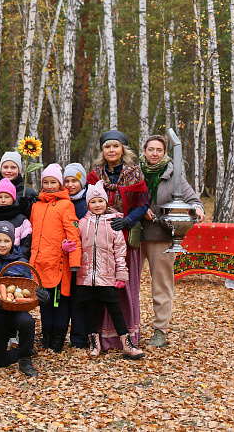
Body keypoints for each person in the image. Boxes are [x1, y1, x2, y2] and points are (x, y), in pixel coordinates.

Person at [140, 134, 204, 348]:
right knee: (126, 284)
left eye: (159, 150)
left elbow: (193, 200)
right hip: (133, 237)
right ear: (144, 150)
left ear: (165, 152)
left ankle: (160, 330)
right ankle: (128, 328)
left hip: (161, 237)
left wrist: (198, 209)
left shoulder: (173, 174)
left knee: (162, 285)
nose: (154, 154)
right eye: (151, 149)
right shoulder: (135, 172)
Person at [87, 130, 149, 349]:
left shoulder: (134, 173)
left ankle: (126, 335)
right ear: (102, 150)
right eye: (107, 147)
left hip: (124, 236)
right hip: (101, 239)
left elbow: (143, 204)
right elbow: (90, 202)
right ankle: (101, 337)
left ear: (123, 149)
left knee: (123, 285)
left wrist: (128, 221)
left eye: (116, 146)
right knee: (101, 285)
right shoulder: (95, 175)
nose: (111, 150)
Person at [77, 181, 145, 359]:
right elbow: (77, 245)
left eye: (100, 201)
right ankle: (94, 343)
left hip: (106, 276)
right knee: (90, 309)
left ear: (106, 203)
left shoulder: (113, 224)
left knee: (115, 309)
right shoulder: (82, 224)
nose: (97, 205)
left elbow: (120, 252)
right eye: (93, 202)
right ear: (88, 204)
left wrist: (121, 274)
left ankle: (127, 344)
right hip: (86, 276)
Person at [0, 221, 49, 377]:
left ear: (13, 241)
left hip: (16, 310)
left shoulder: (22, 263)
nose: (2, 244)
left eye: (7, 240)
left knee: (27, 321)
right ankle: (24, 349)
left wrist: (43, 296)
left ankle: (25, 359)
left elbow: (31, 289)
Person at [29, 163, 81, 352]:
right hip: (40, 263)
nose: (49, 186)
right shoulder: (37, 205)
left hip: (59, 264)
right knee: (44, 303)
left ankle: (57, 340)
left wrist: (74, 262)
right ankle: (46, 337)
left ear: (60, 184)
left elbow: (73, 235)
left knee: (59, 303)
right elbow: (34, 234)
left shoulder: (66, 204)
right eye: (46, 182)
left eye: (53, 182)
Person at [63, 162, 89, 348]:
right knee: (65, 297)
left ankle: (80, 337)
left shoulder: (87, 202)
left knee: (80, 298)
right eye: (67, 181)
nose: (71, 185)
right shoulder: (63, 202)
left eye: (75, 181)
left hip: (84, 257)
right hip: (64, 257)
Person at [0, 178, 32, 260]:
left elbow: (26, 246)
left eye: (7, 197)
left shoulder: (22, 220)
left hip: (15, 264)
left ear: (13, 198)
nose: (3, 200)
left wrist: (18, 262)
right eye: (0, 197)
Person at [0, 151, 38, 216]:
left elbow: (37, 216)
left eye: (13, 167)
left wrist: (27, 208)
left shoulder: (29, 193)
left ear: (19, 170)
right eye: (5, 167)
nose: (9, 171)